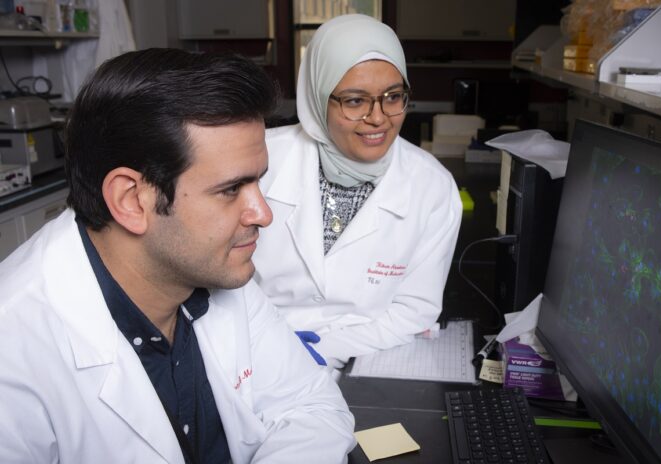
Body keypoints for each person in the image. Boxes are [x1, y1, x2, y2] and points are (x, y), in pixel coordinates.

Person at [0, 48, 355, 463]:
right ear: (132, 200)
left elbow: (314, 407)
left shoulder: (213, 271)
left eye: (258, 182)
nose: (263, 214)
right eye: (230, 190)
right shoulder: (14, 350)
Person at [254, 15, 463, 369]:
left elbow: (414, 310)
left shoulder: (432, 187)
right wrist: (273, 350)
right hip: (251, 355)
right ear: (319, 98)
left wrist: (323, 350)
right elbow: (217, 284)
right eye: (355, 101)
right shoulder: (260, 162)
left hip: (363, 357)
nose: (378, 118)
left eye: (393, 97)